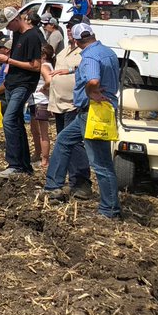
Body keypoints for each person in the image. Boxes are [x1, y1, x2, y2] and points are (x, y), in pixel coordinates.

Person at [41, 23, 122, 219]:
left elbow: (92, 79)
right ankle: (53, 187)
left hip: (92, 112)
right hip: (96, 111)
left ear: (76, 41)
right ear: (93, 35)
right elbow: (91, 71)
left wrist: (90, 92)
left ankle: (110, 210)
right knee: (63, 140)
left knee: (101, 163)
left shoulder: (90, 56)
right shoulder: (106, 52)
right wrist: (69, 71)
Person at [0, 11, 45, 179]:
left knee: (9, 119)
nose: (7, 28)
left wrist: (8, 61)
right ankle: (24, 166)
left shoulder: (33, 36)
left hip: (23, 84)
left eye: (8, 24)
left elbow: (36, 66)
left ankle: (14, 164)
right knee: (17, 122)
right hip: (12, 82)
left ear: (16, 19)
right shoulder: (17, 33)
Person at [47, 26, 92, 199]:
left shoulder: (84, 53)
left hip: (73, 104)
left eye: (72, 30)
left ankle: (81, 183)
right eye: (68, 30)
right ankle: (66, 181)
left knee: (73, 143)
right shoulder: (65, 50)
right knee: (63, 143)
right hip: (59, 103)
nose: (69, 33)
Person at [30, 46, 56, 171]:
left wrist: (44, 88)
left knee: (43, 132)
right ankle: (37, 154)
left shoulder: (44, 66)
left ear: (44, 55)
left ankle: (45, 160)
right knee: (35, 130)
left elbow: (49, 80)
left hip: (42, 101)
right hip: (35, 100)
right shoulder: (47, 65)